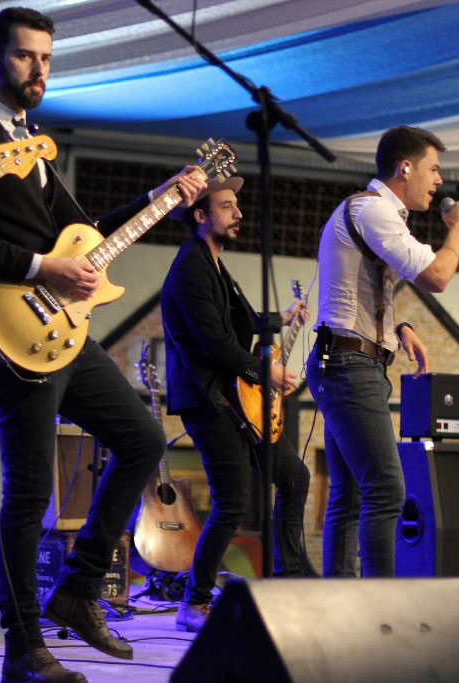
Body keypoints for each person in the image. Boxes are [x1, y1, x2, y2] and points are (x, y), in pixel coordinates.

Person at [0, 7, 205, 683]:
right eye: (26, 56)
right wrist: (40, 267)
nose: (39, 70)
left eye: (47, 59)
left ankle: (80, 589)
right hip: (12, 328)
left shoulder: (32, 143)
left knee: (142, 437)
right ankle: (24, 649)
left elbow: (85, 232)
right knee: (29, 491)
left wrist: (160, 197)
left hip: (63, 330)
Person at [305, 125, 459, 578]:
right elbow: (437, 276)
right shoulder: (373, 209)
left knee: (350, 495)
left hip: (348, 361)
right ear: (405, 168)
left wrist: (398, 327)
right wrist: (458, 231)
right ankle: (380, 606)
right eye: (433, 169)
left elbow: (352, 290)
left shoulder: (376, 213)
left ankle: (343, 605)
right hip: (349, 366)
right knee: (386, 490)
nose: (439, 180)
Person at [160, 177, 309, 632]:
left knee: (295, 476)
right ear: (200, 215)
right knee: (232, 501)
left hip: (235, 397)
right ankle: (194, 602)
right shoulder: (190, 267)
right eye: (227, 206)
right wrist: (267, 372)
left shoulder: (214, 264)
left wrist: (280, 318)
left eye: (237, 205)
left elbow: (237, 321)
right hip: (208, 399)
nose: (238, 213)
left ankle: (288, 581)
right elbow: (215, 343)